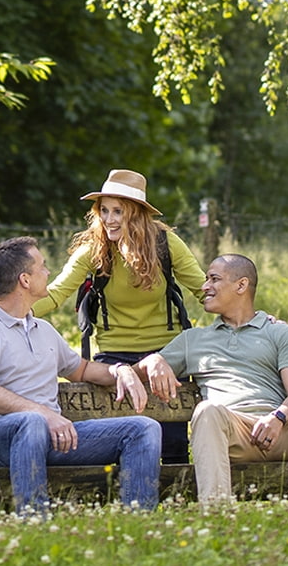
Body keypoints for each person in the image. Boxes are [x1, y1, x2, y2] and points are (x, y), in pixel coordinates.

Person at [136, 253, 288, 503]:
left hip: (284, 431)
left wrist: (277, 418)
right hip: (234, 434)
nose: (205, 286)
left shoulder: (278, 331)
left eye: (214, 279)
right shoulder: (193, 340)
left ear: (241, 285)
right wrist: (154, 359)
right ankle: (215, 514)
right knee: (207, 410)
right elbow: (135, 374)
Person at [0, 236, 163, 512]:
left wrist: (120, 370)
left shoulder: (43, 330)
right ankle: (34, 520)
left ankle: (139, 522)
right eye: (42, 266)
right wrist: (45, 415)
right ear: (25, 280)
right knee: (30, 422)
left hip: (51, 436)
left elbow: (82, 370)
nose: (48, 272)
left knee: (144, 429)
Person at [33, 169, 208, 462]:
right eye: (104, 211)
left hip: (166, 354)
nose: (109, 219)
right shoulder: (95, 249)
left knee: (173, 446)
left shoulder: (166, 244)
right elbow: (55, 294)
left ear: (137, 214)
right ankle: (116, 491)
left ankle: (176, 494)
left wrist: (251, 319)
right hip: (114, 357)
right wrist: (4, 312)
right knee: (110, 440)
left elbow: (205, 291)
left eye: (118, 211)